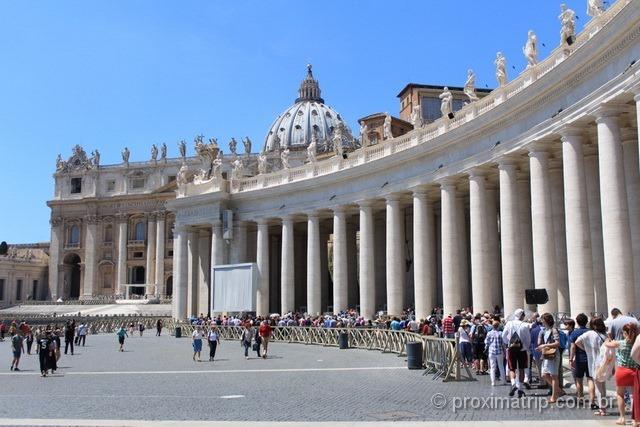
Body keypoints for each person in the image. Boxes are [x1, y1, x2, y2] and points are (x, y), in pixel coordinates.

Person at [604, 322, 639, 426]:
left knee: (620, 394)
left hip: (622, 371)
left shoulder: (620, 343)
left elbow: (607, 344)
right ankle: (635, 420)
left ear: (624, 333)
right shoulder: (636, 343)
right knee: (634, 396)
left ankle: (622, 418)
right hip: (634, 370)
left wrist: (608, 339)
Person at [575, 317, 609, 416]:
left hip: (594, 363)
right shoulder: (605, 334)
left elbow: (577, 342)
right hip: (604, 362)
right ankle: (603, 407)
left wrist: (586, 350)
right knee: (603, 386)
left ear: (593, 325)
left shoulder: (589, 334)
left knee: (598, 387)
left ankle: (602, 409)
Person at [502, 308, 531, 398]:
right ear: (522, 316)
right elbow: (528, 339)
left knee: (512, 368)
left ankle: (513, 383)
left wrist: (508, 343)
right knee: (522, 369)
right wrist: (525, 347)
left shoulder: (509, 323)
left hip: (511, 349)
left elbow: (503, 336)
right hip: (522, 350)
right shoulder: (525, 325)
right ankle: (520, 389)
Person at [537, 312, 565, 403]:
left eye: (542, 320)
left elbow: (557, 343)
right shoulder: (545, 330)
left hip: (553, 355)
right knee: (544, 374)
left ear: (546, 320)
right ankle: (559, 390)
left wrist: (544, 345)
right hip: (546, 354)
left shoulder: (554, 330)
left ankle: (554, 396)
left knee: (554, 376)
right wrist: (541, 347)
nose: (541, 321)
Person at [569, 313, 591, 400]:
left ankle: (580, 397)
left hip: (579, 359)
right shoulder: (590, 332)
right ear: (586, 322)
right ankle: (592, 398)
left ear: (577, 322)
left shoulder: (574, 333)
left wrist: (571, 358)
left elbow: (573, 347)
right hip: (590, 358)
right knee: (590, 379)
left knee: (579, 379)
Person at [485, 320, 507, 387]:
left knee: (492, 367)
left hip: (491, 351)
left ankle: (493, 382)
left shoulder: (489, 333)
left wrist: (486, 347)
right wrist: (505, 351)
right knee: (501, 366)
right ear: (498, 326)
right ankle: (503, 381)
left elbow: (487, 342)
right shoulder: (501, 333)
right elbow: (503, 344)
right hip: (499, 351)